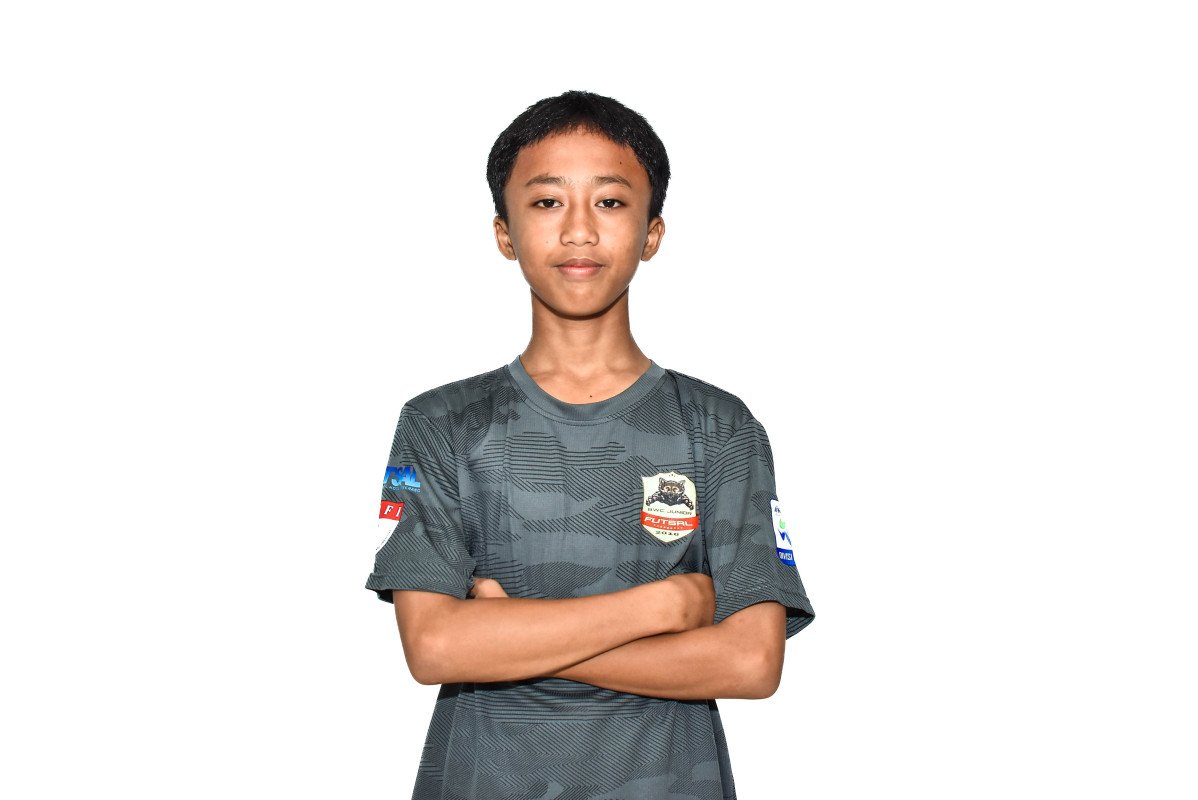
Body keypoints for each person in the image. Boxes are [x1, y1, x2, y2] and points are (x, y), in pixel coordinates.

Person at [365, 89, 815, 800]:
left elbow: (751, 662)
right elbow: (436, 647)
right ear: (504, 232)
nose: (579, 230)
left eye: (609, 201)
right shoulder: (442, 424)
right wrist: (662, 608)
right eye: (547, 202)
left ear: (652, 232)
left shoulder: (720, 427)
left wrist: (506, 634)